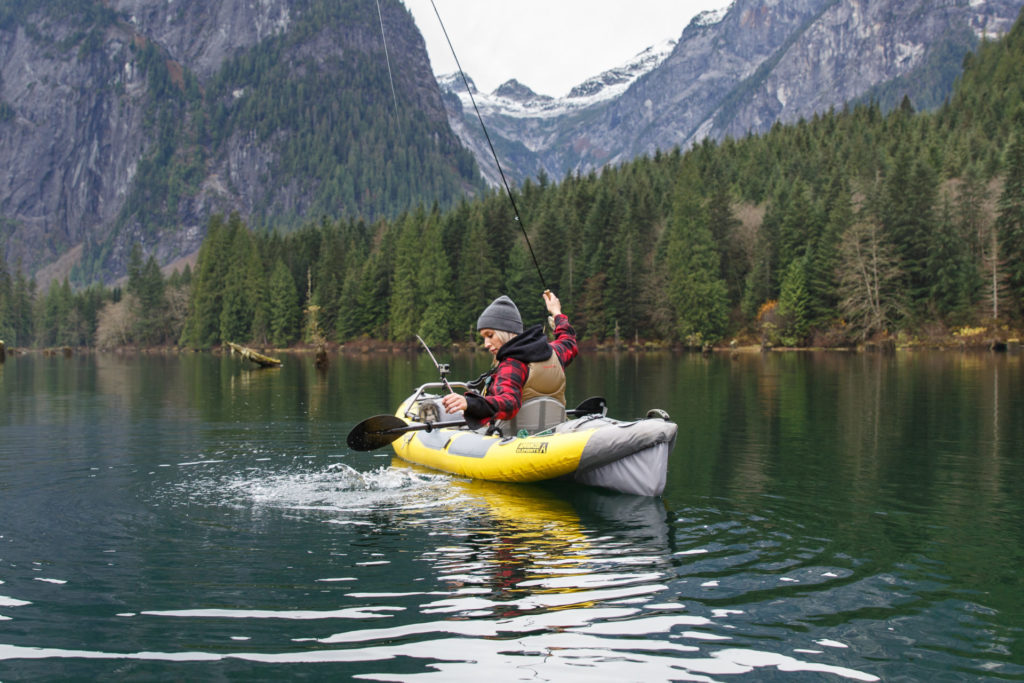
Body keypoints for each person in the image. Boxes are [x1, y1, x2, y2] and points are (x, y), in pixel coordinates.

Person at [441, 291, 577, 426]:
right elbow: (568, 341)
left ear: (505, 332)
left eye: (490, 335)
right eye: (484, 338)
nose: (486, 344)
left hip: (518, 439)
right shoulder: (554, 353)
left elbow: (508, 403)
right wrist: (557, 312)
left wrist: (471, 404)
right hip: (555, 434)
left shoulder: (512, 364)